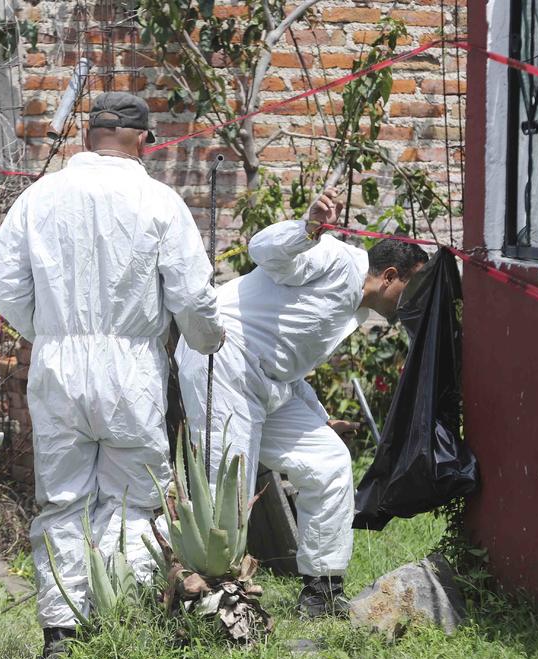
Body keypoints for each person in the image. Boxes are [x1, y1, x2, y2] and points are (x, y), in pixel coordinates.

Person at [0, 93, 224, 659]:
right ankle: (123, 619)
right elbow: (192, 295)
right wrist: (207, 340)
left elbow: (4, 283)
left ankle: (61, 633)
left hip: (58, 366)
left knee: (62, 498)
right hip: (131, 369)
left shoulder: (39, 197)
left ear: (88, 136)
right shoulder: (159, 200)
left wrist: (51, 331)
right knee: (135, 499)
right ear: (143, 139)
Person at [175, 189, 428, 617]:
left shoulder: (355, 310)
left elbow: (287, 364)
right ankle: (207, 599)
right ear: (389, 275)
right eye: (412, 288)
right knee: (227, 483)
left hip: (268, 383)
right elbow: (263, 249)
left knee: (329, 462)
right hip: (222, 358)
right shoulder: (336, 259)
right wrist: (307, 229)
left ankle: (321, 592)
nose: (413, 301)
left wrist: (320, 418)